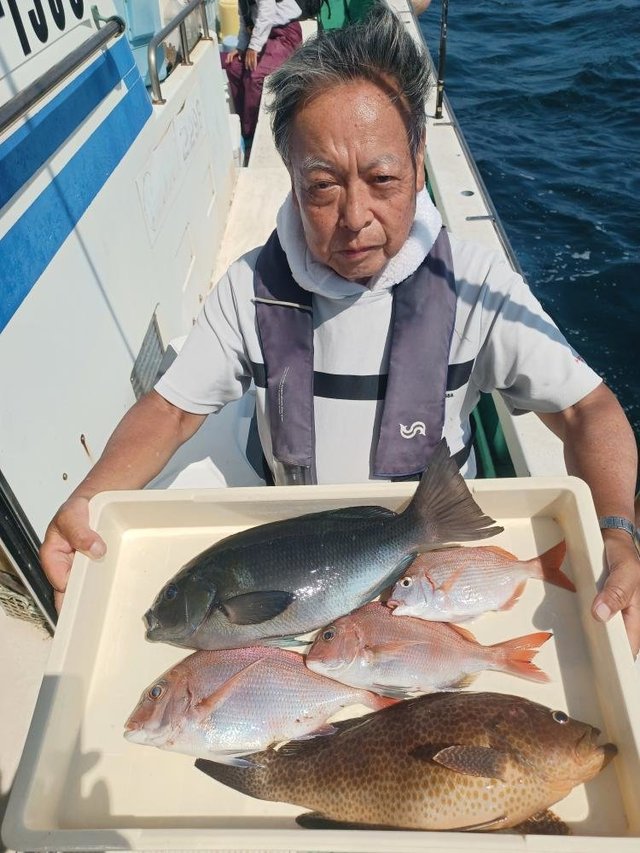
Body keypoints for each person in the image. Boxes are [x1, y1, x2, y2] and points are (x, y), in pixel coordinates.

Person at [41, 5, 639, 656]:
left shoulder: (473, 281)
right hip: (298, 568)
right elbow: (170, 412)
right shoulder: (253, 286)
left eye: (382, 179)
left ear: (417, 160)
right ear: (292, 180)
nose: (356, 216)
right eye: (323, 186)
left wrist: (617, 530)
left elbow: (588, 410)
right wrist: (90, 500)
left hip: (433, 568)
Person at [224, 0, 302, 154]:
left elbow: (267, 12)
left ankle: (251, 133)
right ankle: (241, 125)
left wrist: (253, 47)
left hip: (285, 35)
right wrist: (240, 47)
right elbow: (244, 21)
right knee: (233, 67)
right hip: (261, 35)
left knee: (255, 76)